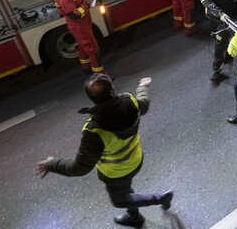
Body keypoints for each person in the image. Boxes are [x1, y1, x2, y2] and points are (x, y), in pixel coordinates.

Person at [36, 75, 172, 228]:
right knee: (125, 190)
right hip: (136, 158)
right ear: (112, 90)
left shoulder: (94, 130)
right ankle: (135, 217)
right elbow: (144, 105)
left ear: (91, 99)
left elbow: (80, 168)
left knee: (120, 200)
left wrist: (52, 164)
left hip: (115, 172)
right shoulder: (129, 100)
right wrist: (142, 87)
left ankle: (160, 198)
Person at [54, 0, 109, 76]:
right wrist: (87, 3)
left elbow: (78, 2)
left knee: (83, 47)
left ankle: (87, 68)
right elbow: (74, 15)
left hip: (82, 25)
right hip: (79, 26)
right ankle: (101, 76)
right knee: (93, 50)